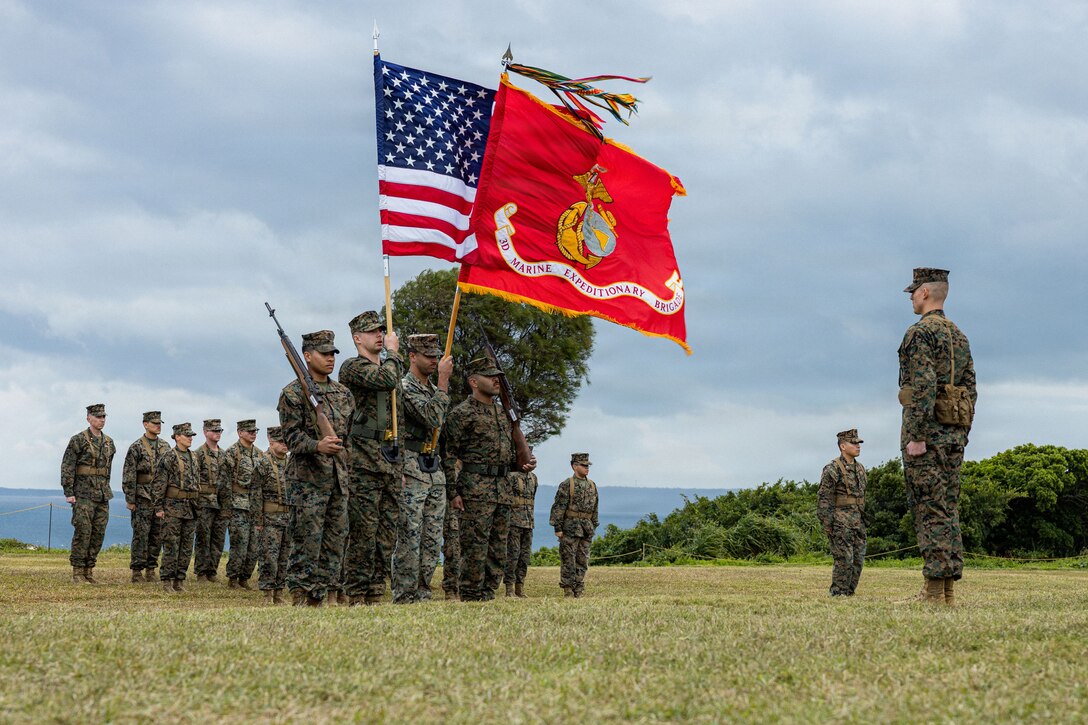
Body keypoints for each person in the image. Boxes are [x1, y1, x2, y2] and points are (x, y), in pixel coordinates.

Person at [899, 267, 976, 605]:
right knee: (948, 508)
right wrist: (962, 431)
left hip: (927, 437)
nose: (912, 297)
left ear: (926, 292)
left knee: (929, 509)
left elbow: (922, 387)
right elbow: (971, 387)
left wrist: (916, 435)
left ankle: (933, 592)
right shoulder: (958, 335)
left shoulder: (920, 333)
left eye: (914, 291)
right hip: (954, 436)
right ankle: (946, 591)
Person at [443, 358, 537, 602]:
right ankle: (471, 594)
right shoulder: (461, 414)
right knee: (475, 547)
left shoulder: (503, 413)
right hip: (475, 488)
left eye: (497, 376)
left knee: (499, 547)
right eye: (489, 376)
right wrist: (453, 492)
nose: (496, 380)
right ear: (473, 382)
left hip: (503, 489)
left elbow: (507, 452)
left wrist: (523, 463)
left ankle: (489, 593)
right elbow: (449, 455)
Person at [278, 329, 354, 607]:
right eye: (324, 353)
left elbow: (350, 436)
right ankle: (303, 594)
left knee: (336, 538)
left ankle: (331, 591)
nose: (331, 358)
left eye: (333, 353)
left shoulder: (343, 393)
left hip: (338, 478)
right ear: (307, 356)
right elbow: (291, 437)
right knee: (307, 540)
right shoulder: (293, 393)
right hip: (307, 481)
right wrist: (317, 445)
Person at [338, 310, 403, 606]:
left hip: (389, 460)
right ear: (357, 338)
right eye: (372, 331)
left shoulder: (390, 369)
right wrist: (393, 353)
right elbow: (385, 379)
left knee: (386, 532)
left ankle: (376, 589)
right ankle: (355, 592)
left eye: (381, 330)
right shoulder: (352, 367)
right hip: (363, 461)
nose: (379, 334)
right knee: (362, 532)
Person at [391, 333, 452, 603]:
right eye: (429, 356)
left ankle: (423, 591)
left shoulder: (431, 390)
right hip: (412, 466)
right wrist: (443, 381)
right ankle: (405, 594)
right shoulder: (404, 386)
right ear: (412, 356)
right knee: (410, 534)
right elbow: (432, 417)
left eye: (437, 357)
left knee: (432, 535)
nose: (434, 361)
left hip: (433, 468)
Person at [60, 403, 117, 584]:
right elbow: (68, 466)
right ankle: (78, 572)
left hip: (102, 495)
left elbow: (108, 468)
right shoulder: (78, 440)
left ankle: (89, 570)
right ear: (89, 418)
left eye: (103, 417)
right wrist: (69, 491)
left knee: (98, 533)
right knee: (83, 531)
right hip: (83, 494)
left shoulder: (109, 442)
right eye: (98, 417)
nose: (101, 420)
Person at [151, 422, 202, 593]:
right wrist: (158, 507)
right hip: (172, 507)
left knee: (187, 547)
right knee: (171, 545)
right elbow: (159, 483)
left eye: (191, 435)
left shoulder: (194, 457)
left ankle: (179, 580)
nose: (190, 438)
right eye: (187, 435)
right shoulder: (168, 457)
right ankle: (167, 580)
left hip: (190, 508)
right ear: (177, 437)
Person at [121, 410, 170, 583]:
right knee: (141, 534)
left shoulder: (165, 446)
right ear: (145, 424)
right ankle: (137, 571)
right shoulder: (137, 447)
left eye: (159, 423)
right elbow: (129, 474)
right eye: (154, 423)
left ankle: (151, 569)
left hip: (159, 498)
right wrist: (130, 499)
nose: (157, 426)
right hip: (142, 497)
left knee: (157, 535)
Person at [817, 429, 867, 597]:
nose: (858, 446)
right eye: (854, 443)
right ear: (843, 446)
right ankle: (838, 593)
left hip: (858, 521)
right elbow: (824, 499)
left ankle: (850, 592)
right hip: (840, 522)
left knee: (858, 559)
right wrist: (827, 524)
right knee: (844, 559)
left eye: (859, 443)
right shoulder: (832, 469)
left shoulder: (860, 468)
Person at [220, 419, 264, 589]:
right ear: (240, 433)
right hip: (237, 505)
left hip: (255, 506)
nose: (253, 434)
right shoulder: (231, 453)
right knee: (240, 544)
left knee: (254, 546)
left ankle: (245, 578)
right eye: (249, 431)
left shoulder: (260, 454)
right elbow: (224, 483)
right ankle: (233, 578)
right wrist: (226, 508)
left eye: (255, 431)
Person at [550, 453, 599, 598]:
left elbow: (595, 508)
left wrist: (593, 526)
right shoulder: (567, 484)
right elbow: (558, 507)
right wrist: (557, 528)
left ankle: (579, 588)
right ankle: (568, 589)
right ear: (574, 466)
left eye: (587, 465)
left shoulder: (592, 485)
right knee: (568, 560)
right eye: (583, 465)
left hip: (586, 529)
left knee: (582, 560)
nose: (586, 468)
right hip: (569, 528)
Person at [254, 426, 291, 604]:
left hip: (288, 518)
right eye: (281, 442)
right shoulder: (263, 463)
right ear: (271, 442)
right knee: (269, 556)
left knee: (284, 557)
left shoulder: (291, 462)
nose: (285, 445)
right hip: (269, 518)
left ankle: (279, 592)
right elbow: (255, 494)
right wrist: (258, 520)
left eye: (286, 441)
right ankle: (267, 593)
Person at [193, 419, 230, 583]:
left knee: (218, 538)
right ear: (205, 432)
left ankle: (212, 571)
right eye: (214, 431)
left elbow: (227, 481)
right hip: (204, 502)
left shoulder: (224, 455)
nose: (217, 433)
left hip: (221, 503)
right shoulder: (198, 454)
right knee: (203, 537)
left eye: (219, 431)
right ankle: (201, 571)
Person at [504, 459, 538, 598]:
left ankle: (520, 586)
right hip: (513, 522)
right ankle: (509, 588)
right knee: (512, 556)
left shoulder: (533, 478)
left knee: (524, 556)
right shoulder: (511, 477)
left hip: (528, 522)